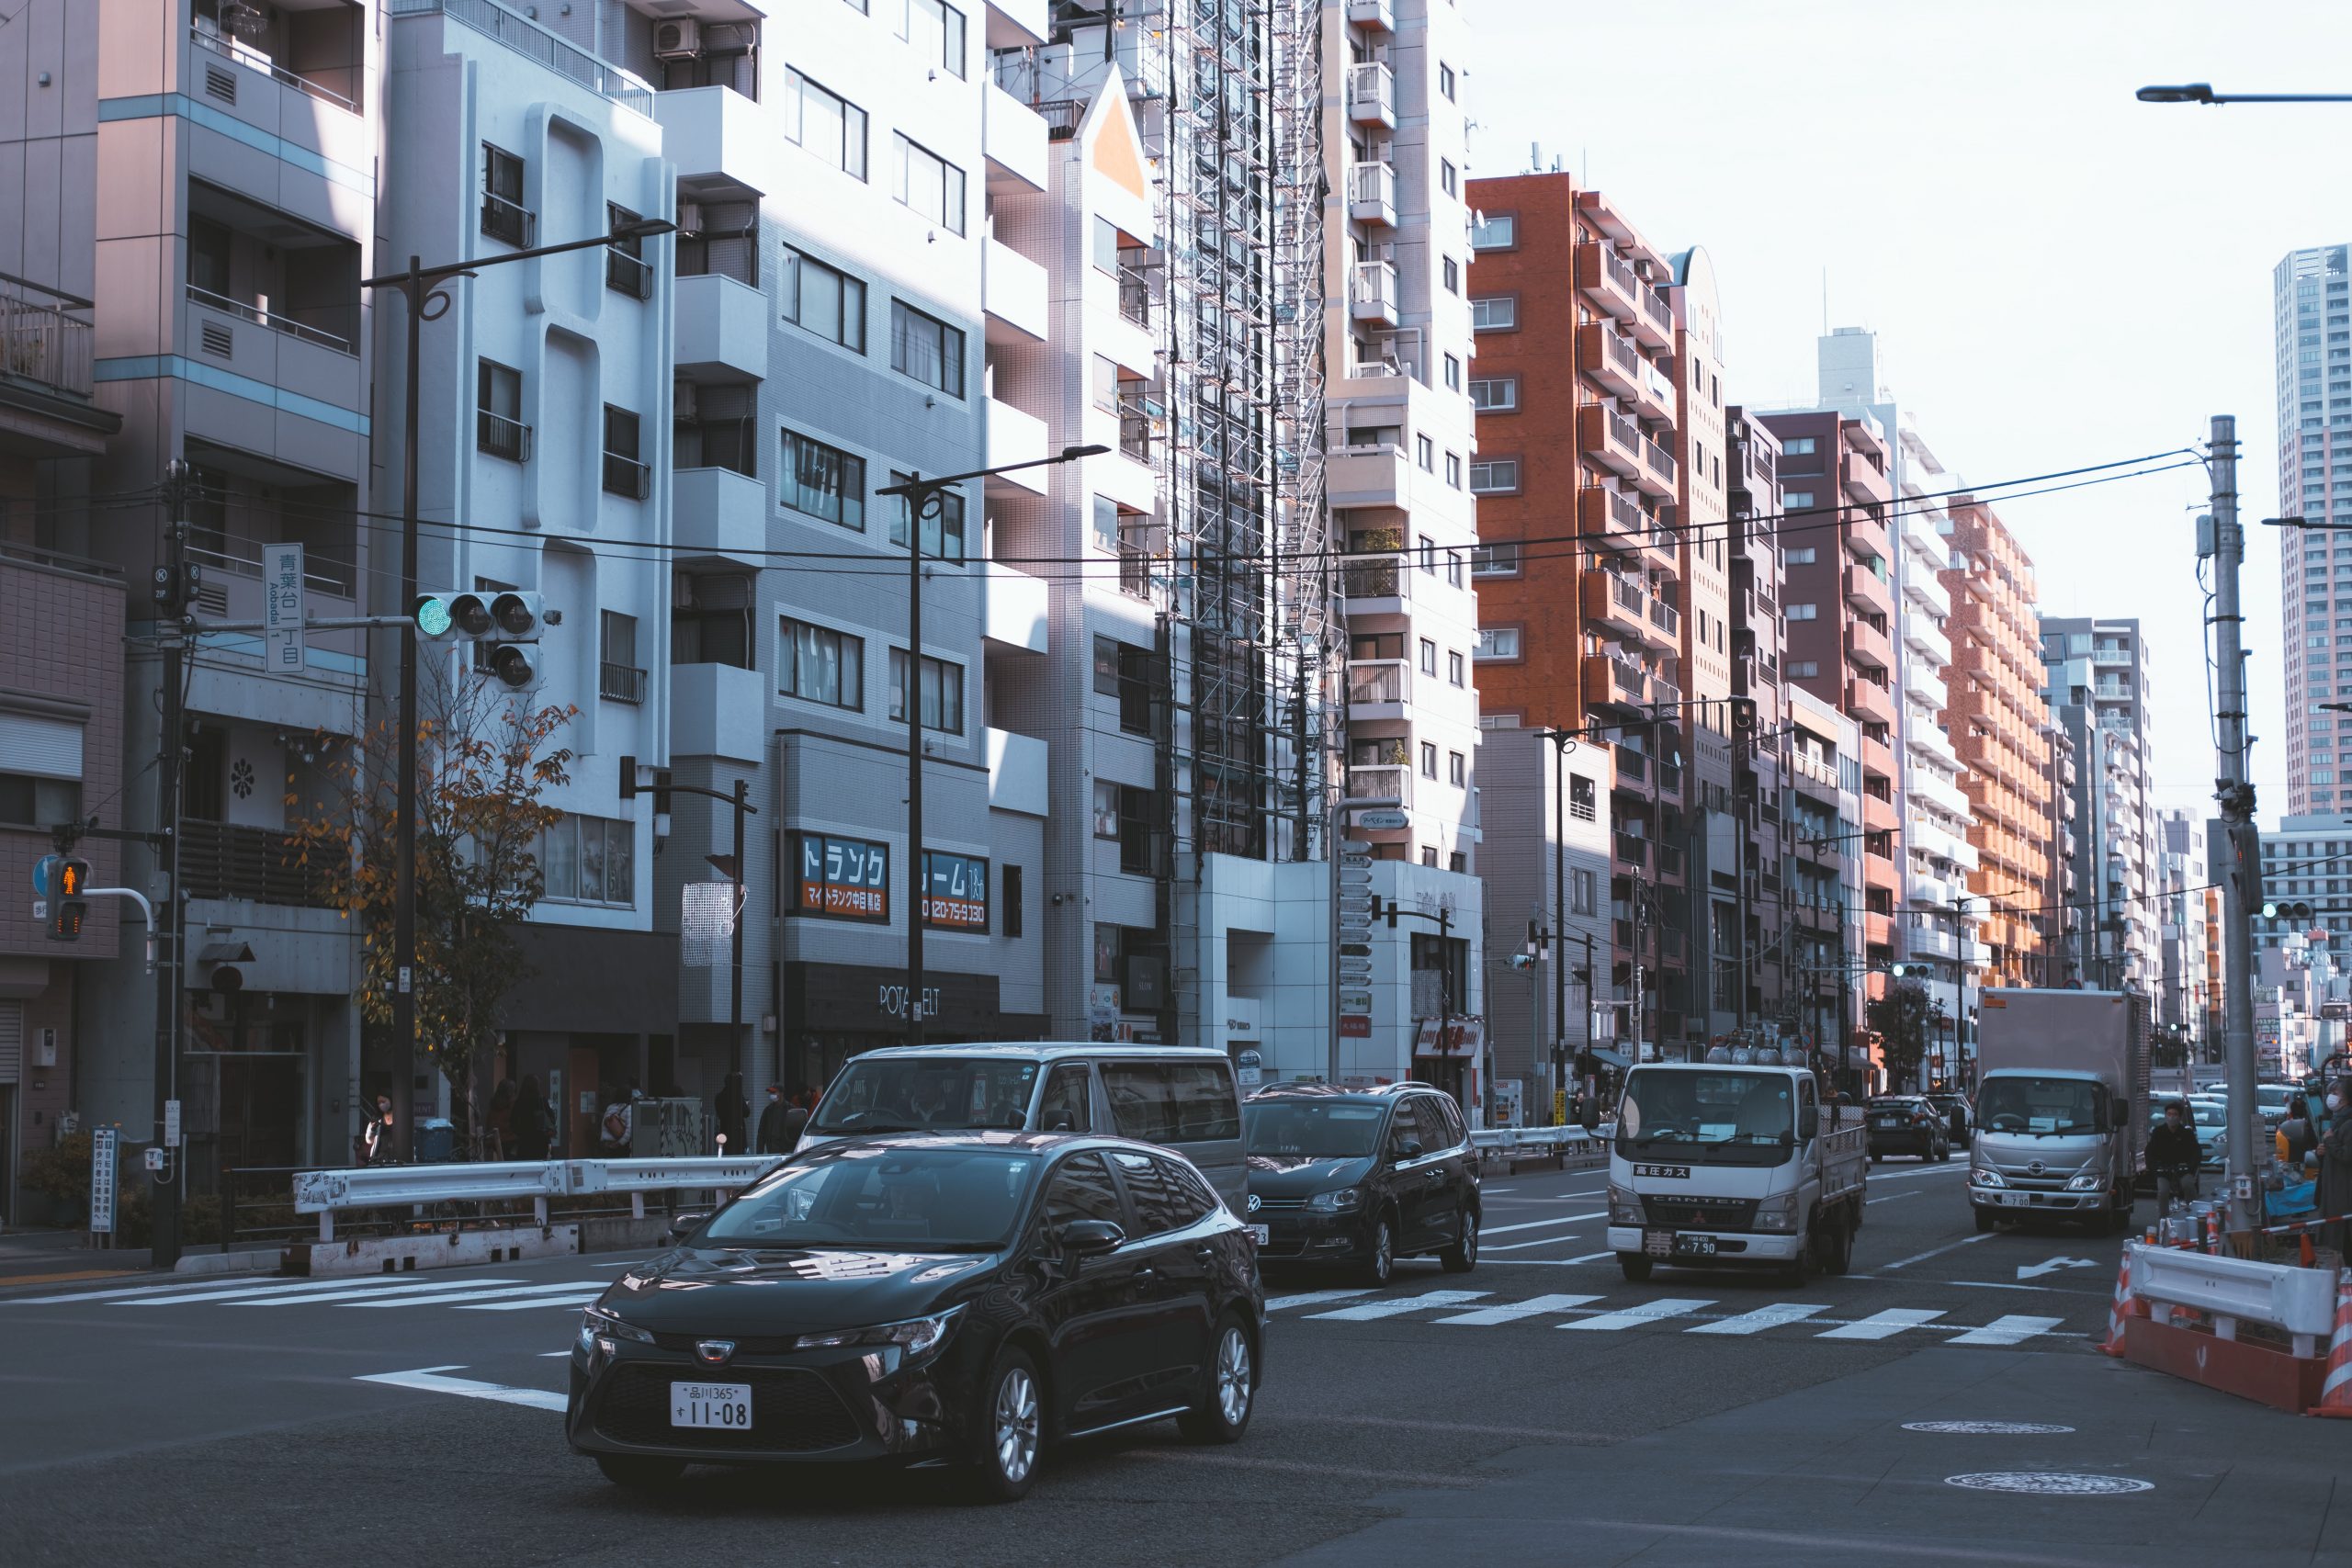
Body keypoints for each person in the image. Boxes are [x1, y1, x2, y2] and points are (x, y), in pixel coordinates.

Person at [2146, 1100, 2204, 1210]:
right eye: (2169, 1114)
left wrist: (2191, 1167)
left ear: (2180, 1117)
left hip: (2183, 1170)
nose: (2172, 1117)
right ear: (2165, 1116)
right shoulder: (2158, 1132)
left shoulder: (2187, 1134)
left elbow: (2196, 1152)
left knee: (2189, 1186)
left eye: (2175, 1114)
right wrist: (2154, 1168)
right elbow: (2149, 1152)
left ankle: (2193, 1213)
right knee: (2163, 1191)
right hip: (2163, 1170)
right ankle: (2163, 1218)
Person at [2322, 1077, 2352, 1258]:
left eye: (2336, 1093)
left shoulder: (2347, 1123)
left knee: (2346, 1240)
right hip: (2339, 1188)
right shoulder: (2338, 1120)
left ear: (2346, 1098)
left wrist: (2330, 1141)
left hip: (2344, 1191)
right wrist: (2322, 1150)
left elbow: (2346, 1155)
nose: (2331, 1097)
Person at [508, 1074, 552, 1161]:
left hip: (524, 1143)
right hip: (541, 1142)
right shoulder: (542, 1101)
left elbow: (512, 1123)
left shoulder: (520, 1102)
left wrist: (521, 1133)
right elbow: (552, 1119)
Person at [600, 1079, 639, 1156]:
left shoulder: (610, 1107)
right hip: (619, 1148)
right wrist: (619, 1143)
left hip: (606, 1145)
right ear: (629, 1095)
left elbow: (604, 1125)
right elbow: (629, 1131)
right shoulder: (629, 1109)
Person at [714, 1071, 749, 1155]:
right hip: (739, 1134)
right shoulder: (738, 1096)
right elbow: (747, 1113)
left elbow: (719, 1114)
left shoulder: (719, 1097)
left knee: (725, 1155)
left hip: (725, 1131)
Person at [485, 1077, 517, 1161]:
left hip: (496, 1141)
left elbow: (490, 1123)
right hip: (511, 1141)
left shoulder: (494, 1105)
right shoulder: (512, 1105)